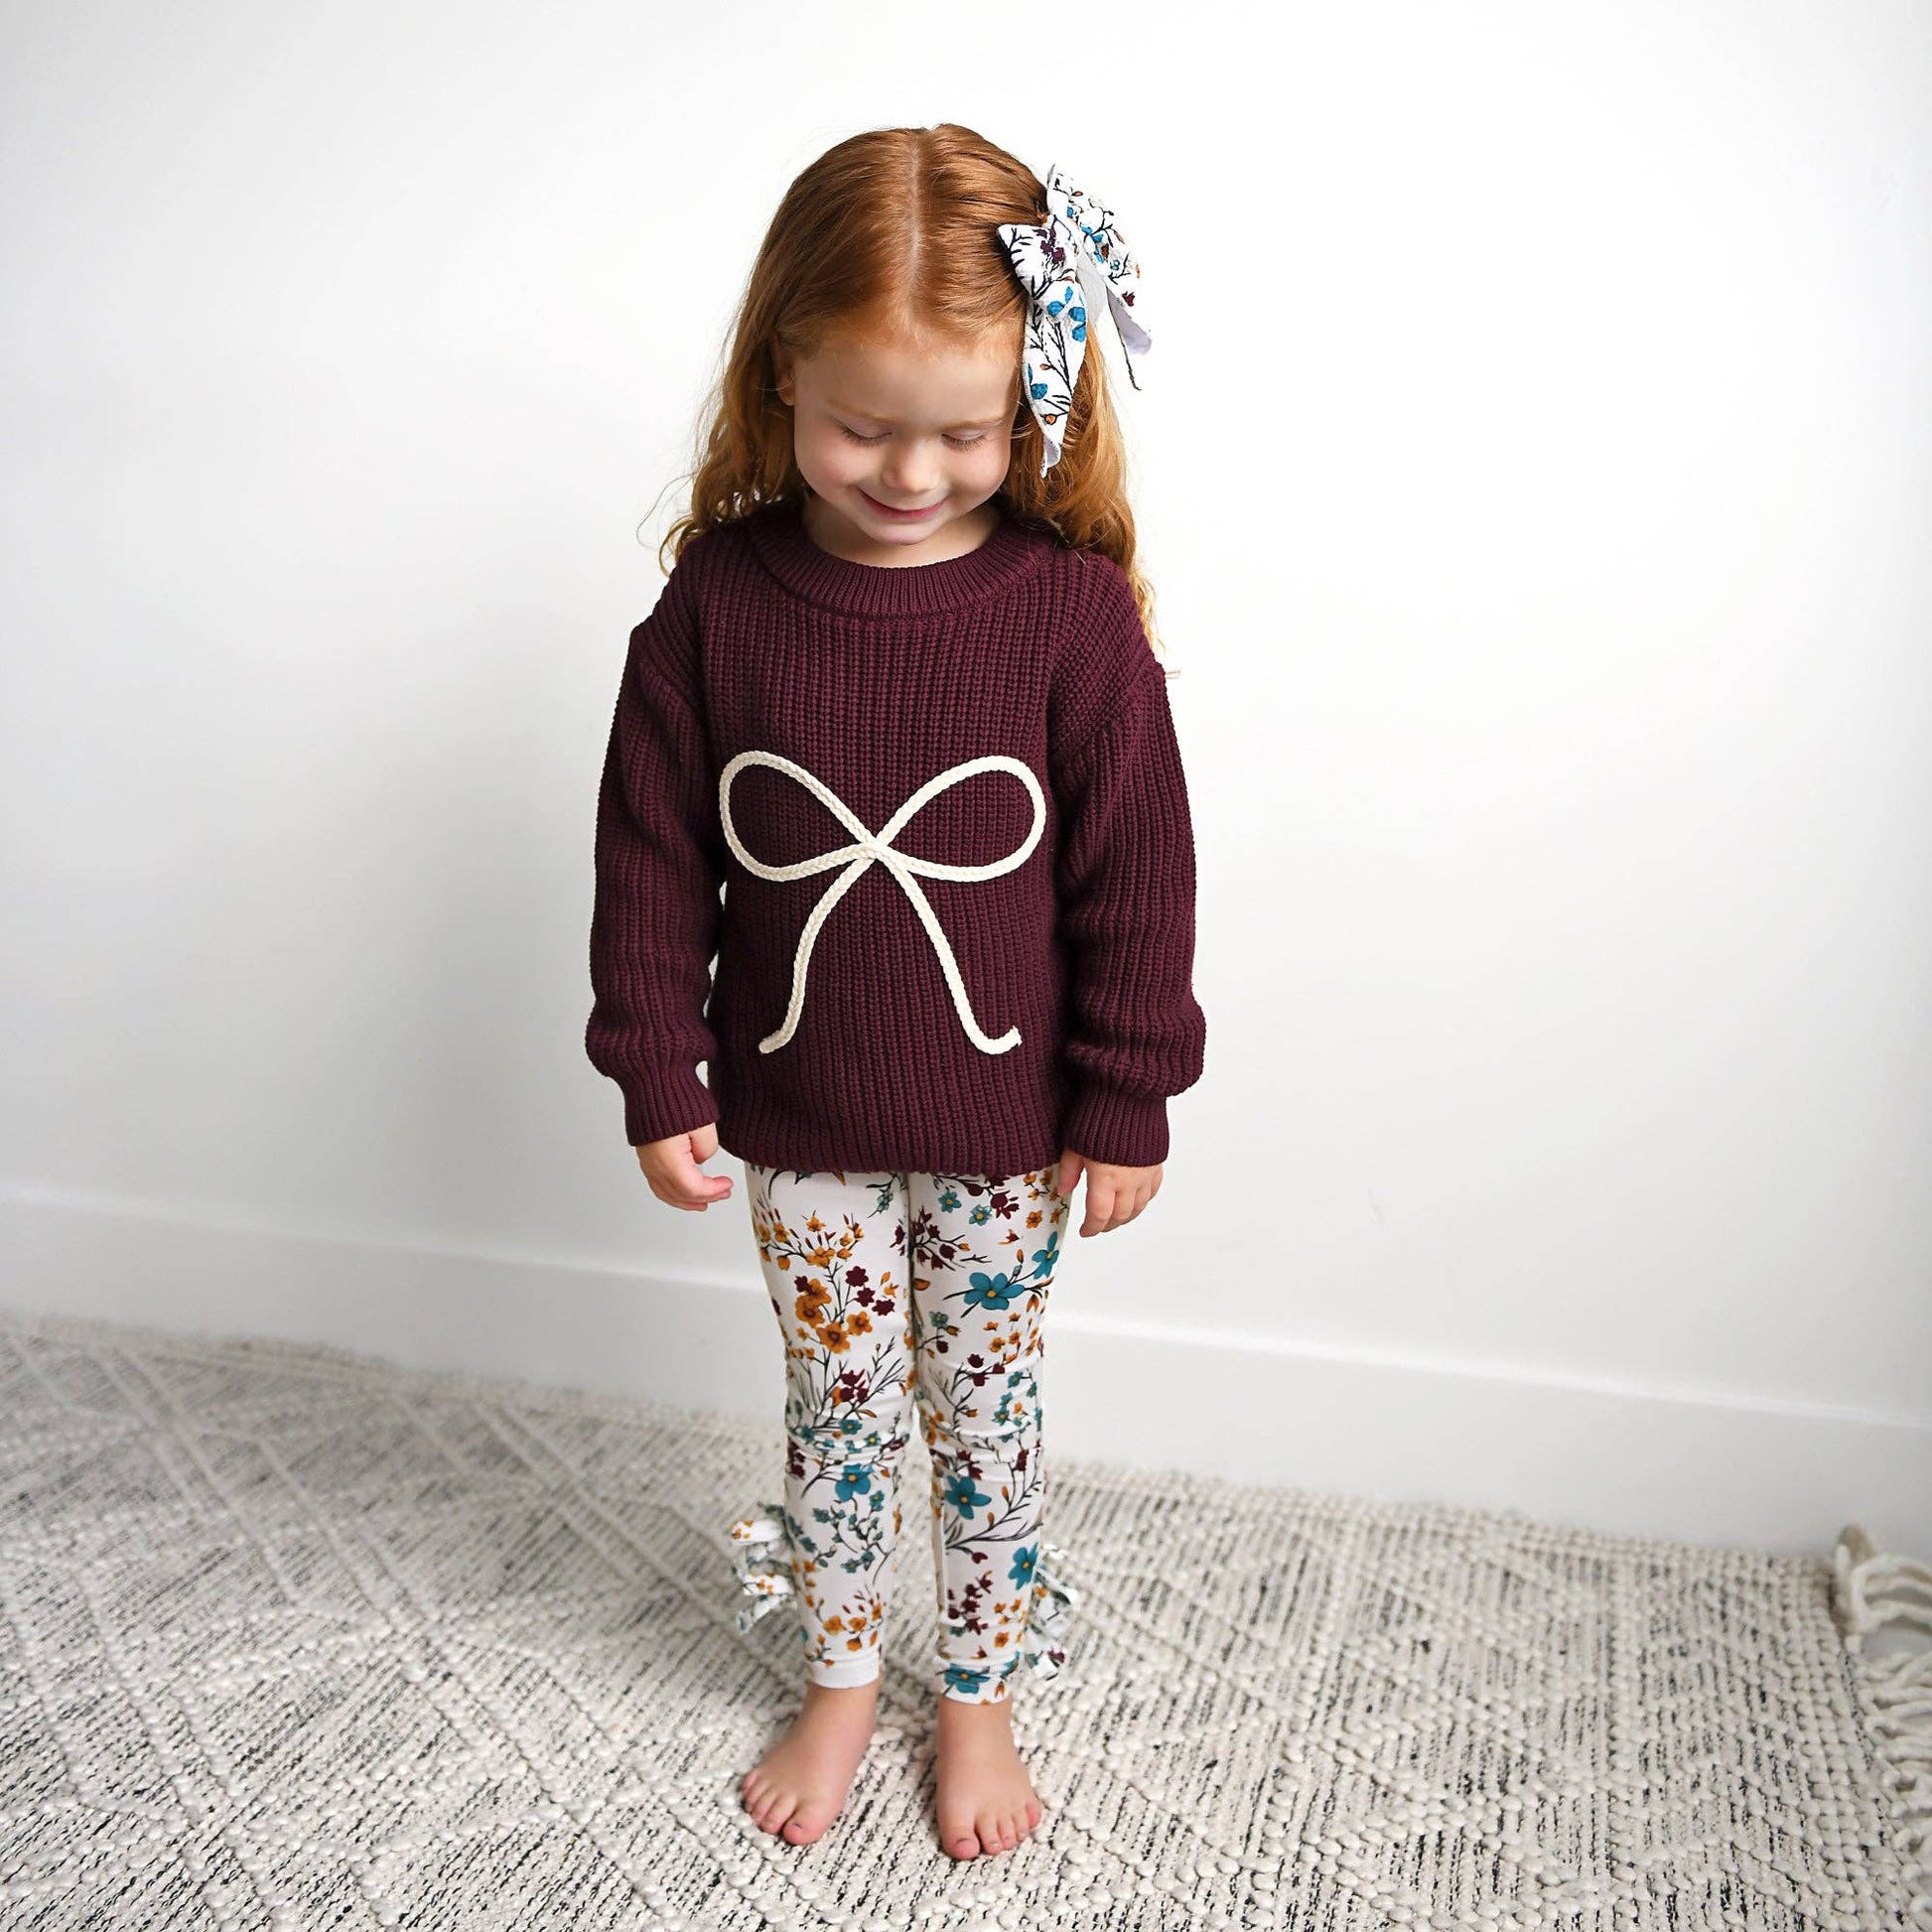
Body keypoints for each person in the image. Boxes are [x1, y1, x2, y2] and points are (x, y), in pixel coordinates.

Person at [584, 123, 1206, 1863]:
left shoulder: (1069, 617)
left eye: (964, 432)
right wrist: (656, 1062)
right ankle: (843, 1669)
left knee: (983, 1409)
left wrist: (1128, 1093)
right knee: (838, 1408)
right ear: (782, 369)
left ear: (1035, 408)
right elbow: (651, 854)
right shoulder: (715, 606)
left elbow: (1137, 879)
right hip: (799, 1126)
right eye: (866, 425)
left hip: (1009, 1136)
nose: (913, 472)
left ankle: (980, 1689)